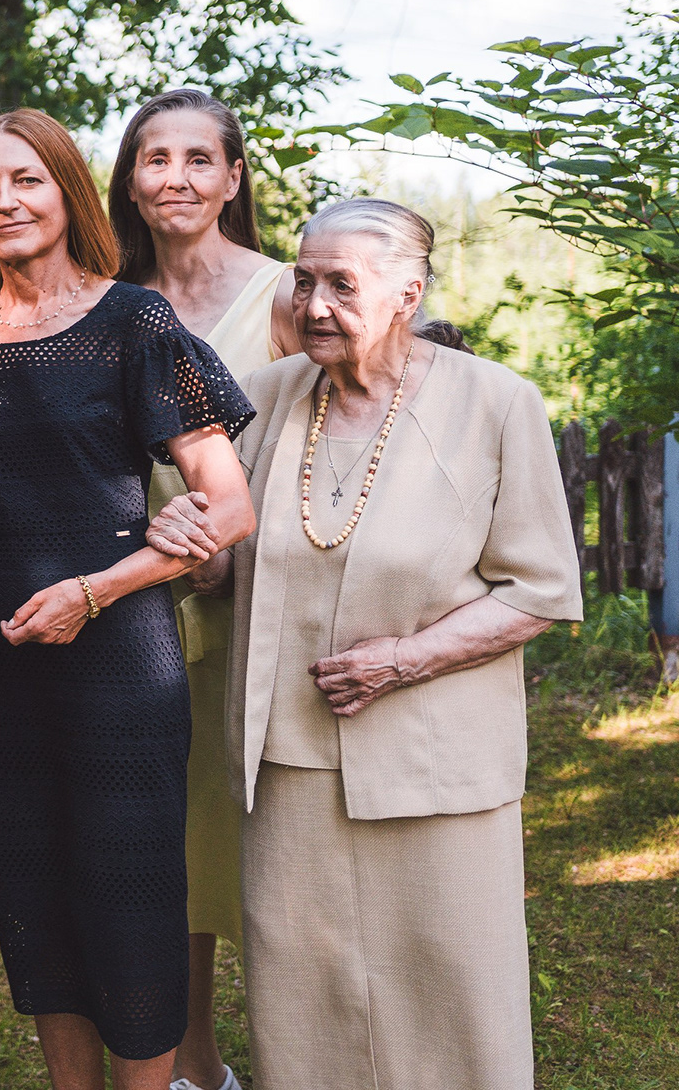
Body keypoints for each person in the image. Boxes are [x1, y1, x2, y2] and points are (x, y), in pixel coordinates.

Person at [152, 197, 582, 1090]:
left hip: (438, 766)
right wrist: (196, 549)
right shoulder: (264, 397)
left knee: (453, 991)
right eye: (304, 282)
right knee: (304, 996)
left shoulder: (496, 404)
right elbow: (231, 562)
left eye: (341, 286)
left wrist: (404, 659)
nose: (314, 305)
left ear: (406, 295)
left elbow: (540, 590)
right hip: (289, 761)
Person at [0, 108, 257, 1090]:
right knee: (33, 895)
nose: (5, 201)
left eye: (27, 180)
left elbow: (230, 505)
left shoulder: (135, 322)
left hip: (122, 656)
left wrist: (96, 591)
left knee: (131, 896)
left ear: (69, 192)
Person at [113, 89, 298, 1090]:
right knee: (165, 850)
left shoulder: (283, 298)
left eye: (198, 159)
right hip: (133, 606)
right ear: (129, 181)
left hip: (260, 608)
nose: (177, 178)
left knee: (261, 845)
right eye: (156, 159)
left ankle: (302, 1051)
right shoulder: (105, 298)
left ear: (233, 178)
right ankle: (195, 1061)